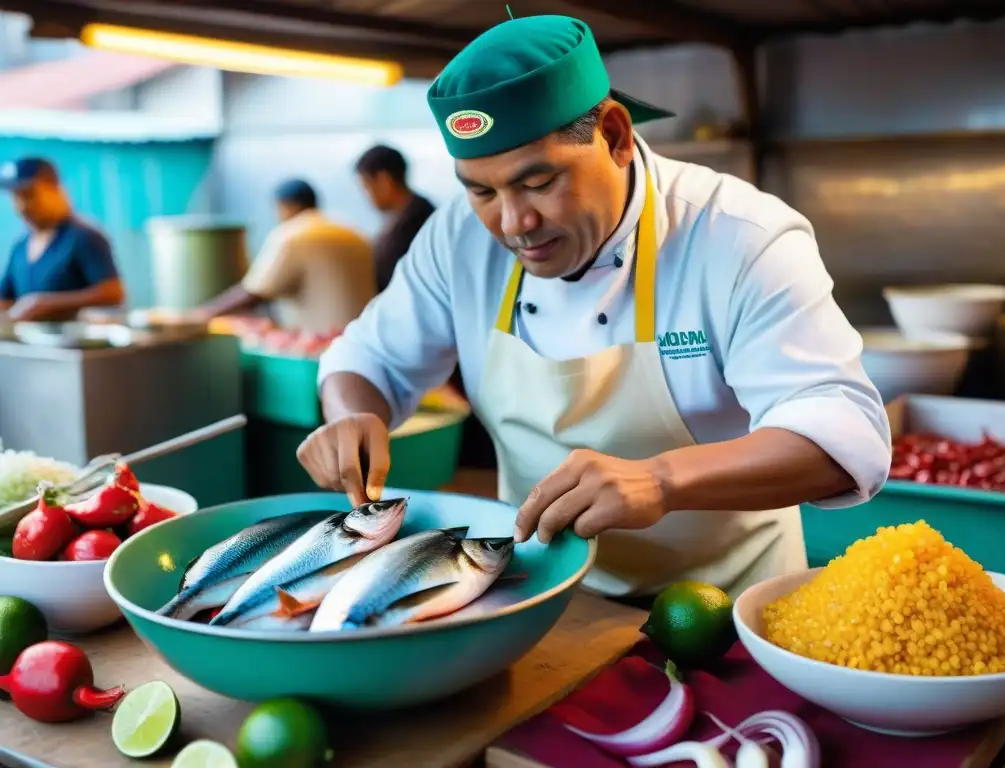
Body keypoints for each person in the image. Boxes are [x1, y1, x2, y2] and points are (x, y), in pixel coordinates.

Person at [299, 15, 892, 600]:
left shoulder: (737, 236)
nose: (513, 224)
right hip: (541, 595)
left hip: (725, 608)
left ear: (613, 134)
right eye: (481, 190)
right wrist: (349, 413)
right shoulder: (457, 236)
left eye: (538, 182)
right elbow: (370, 357)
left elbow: (846, 436)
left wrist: (663, 479)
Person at [197, 179, 377, 336]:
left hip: (320, 345)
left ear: (285, 206)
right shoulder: (353, 232)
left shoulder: (293, 234)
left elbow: (254, 293)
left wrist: (203, 314)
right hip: (366, 340)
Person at [0, 157, 125, 322]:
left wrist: (48, 303)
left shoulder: (84, 237)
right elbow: (6, 299)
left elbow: (113, 293)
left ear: (54, 189)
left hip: (78, 340)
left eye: (29, 195)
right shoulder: (20, 247)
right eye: (15, 197)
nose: (22, 206)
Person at [355, 145, 436, 291]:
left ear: (384, 181)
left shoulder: (411, 225)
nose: (366, 197)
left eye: (366, 186)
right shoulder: (412, 213)